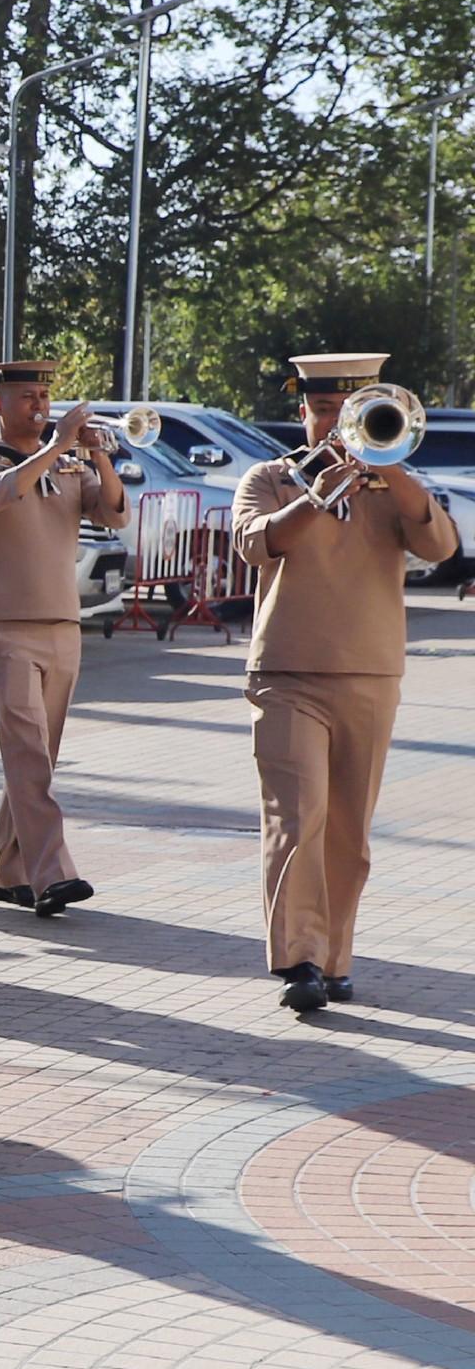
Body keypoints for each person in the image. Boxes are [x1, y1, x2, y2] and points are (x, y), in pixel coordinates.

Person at [232, 351, 455, 1013]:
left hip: (369, 671)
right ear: (301, 411)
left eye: (348, 412)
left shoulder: (393, 486)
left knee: (348, 836)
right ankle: (299, 959)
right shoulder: (270, 478)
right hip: (286, 671)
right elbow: (254, 543)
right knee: (297, 819)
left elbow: (441, 547)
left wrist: (390, 466)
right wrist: (316, 494)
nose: (334, 425)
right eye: (324, 410)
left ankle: (334, 959)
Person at [0, 361, 128, 917]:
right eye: (27, 396)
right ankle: (53, 874)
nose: (40, 406)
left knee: (37, 759)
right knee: (27, 752)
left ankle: (5, 872)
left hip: (62, 623)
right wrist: (55, 447)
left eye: (44, 396)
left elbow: (115, 514)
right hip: (2, 625)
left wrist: (98, 454)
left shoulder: (70, 463)